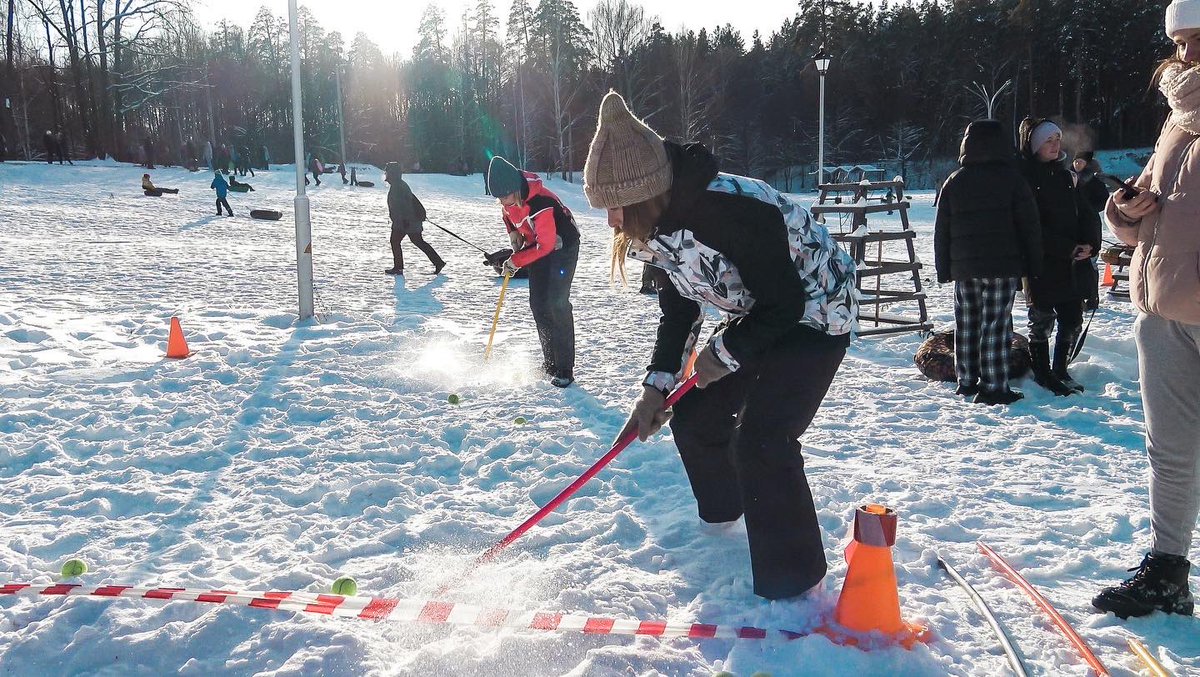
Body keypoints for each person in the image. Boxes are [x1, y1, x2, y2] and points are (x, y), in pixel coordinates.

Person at [583, 91, 858, 599]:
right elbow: (680, 311)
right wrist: (655, 387)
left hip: (818, 312)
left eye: (615, 208)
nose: (611, 221)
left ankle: (795, 583)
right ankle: (727, 516)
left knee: (763, 440)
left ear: (644, 195)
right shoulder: (657, 229)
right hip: (760, 311)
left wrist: (725, 353)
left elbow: (785, 303)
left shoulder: (731, 211)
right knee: (696, 416)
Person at [1092, 0, 1200, 620]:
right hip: (1162, 309)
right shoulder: (1177, 120)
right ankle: (1167, 571)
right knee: (1171, 450)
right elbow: (1157, 213)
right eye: (1181, 42)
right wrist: (1128, 212)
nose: (1187, 54)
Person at [935, 120, 1043, 405]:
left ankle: (966, 380)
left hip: (964, 267)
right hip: (1002, 265)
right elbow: (1029, 226)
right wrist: (1034, 266)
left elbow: (941, 229)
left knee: (966, 323)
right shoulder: (1013, 180)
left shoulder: (954, 181)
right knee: (996, 324)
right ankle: (994, 386)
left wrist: (944, 269)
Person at [1017, 117, 1102, 396]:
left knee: (1072, 317)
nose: (1054, 145)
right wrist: (1066, 248)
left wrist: (1091, 244)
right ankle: (1043, 373)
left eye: (1057, 139)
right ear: (1034, 145)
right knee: (1042, 319)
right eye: (1047, 141)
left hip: (1072, 262)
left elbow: (1087, 214)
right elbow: (1030, 227)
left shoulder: (1066, 177)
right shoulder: (1025, 179)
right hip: (1041, 261)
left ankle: (1060, 369)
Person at [486, 154, 580, 388]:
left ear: (516, 189)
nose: (503, 202)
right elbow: (508, 215)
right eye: (499, 198)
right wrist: (513, 233)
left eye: (505, 197)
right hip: (536, 244)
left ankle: (564, 369)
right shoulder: (509, 201)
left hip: (561, 246)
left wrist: (516, 260)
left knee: (556, 304)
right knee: (538, 304)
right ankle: (550, 363)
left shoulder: (540, 202)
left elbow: (546, 245)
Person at [384, 162, 444, 276]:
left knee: (397, 241)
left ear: (392, 173)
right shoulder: (398, 185)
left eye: (387, 172)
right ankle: (438, 262)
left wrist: (404, 221)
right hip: (406, 222)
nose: (386, 174)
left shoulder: (398, 186)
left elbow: (405, 205)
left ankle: (398, 268)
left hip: (406, 222)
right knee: (416, 241)